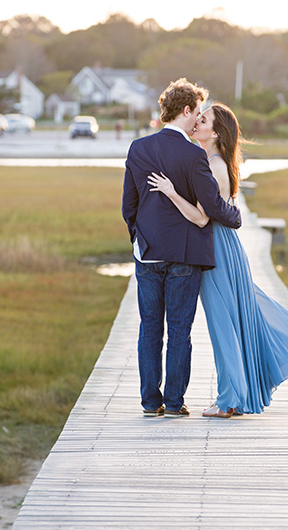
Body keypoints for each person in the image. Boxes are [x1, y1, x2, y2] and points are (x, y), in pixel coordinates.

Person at [146, 102, 288, 417]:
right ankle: (233, 394)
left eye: (203, 120)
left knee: (223, 323)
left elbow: (200, 218)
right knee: (231, 319)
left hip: (216, 250)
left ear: (216, 132)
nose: (196, 123)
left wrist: (169, 192)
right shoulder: (210, 161)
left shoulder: (213, 165)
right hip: (221, 247)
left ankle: (230, 399)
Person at [122, 78, 242, 418]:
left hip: (147, 252)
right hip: (185, 254)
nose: (199, 119)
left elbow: (128, 205)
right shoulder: (194, 155)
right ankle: (174, 403)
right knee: (179, 331)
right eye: (198, 112)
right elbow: (213, 207)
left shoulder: (138, 149)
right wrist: (236, 216)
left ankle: (149, 402)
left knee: (150, 328)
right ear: (186, 111)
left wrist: (139, 237)